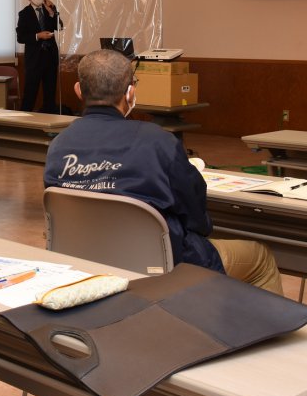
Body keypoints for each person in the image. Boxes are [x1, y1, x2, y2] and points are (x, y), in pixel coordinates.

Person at [43, 49, 283, 295]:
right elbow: (196, 217)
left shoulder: (59, 144)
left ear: (79, 91)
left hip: (85, 264)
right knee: (261, 258)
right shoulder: (158, 142)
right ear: (130, 92)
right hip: (165, 267)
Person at [16, 0, 62, 114]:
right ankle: (23, 124)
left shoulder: (49, 9)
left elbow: (59, 26)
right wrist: (37, 36)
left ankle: (50, 124)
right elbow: (21, 37)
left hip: (50, 58)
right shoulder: (24, 14)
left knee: (50, 95)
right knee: (30, 94)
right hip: (34, 60)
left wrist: (53, 12)